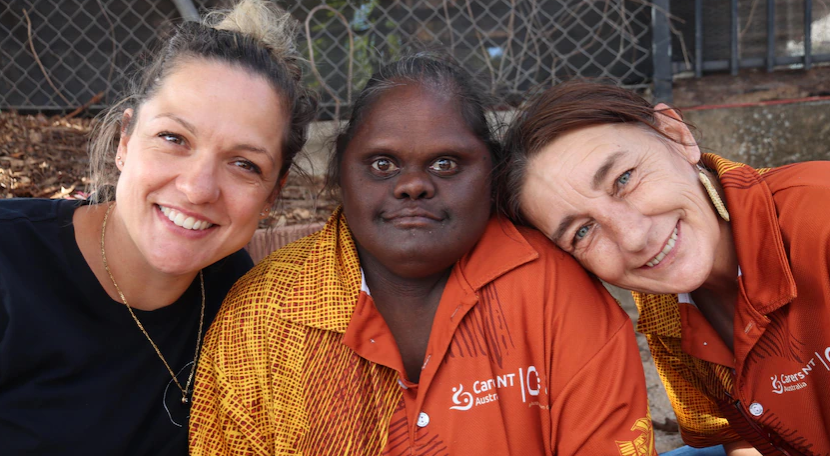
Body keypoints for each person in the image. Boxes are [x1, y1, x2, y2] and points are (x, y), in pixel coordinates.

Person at [189, 54, 656, 455]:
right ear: (340, 174)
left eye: (445, 163)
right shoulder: (261, 317)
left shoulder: (554, 290)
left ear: (492, 172)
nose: (413, 185)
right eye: (382, 163)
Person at [0, 1, 316, 454]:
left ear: (273, 194)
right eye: (174, 139)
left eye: (244, 164)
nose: (197, 188)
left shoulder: (244, 304)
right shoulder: (10, 262)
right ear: (125, 141)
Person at [499, 81, 830, 456]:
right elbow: (738, 437)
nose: (631, 238)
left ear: (677, 136)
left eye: (624, 179)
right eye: (583, 231)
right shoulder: (663, 303)